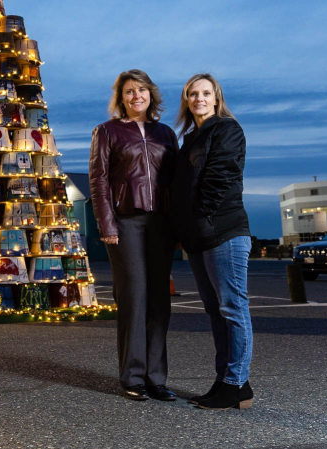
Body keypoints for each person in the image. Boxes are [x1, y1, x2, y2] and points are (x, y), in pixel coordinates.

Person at [89, 69, 179, 401]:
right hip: (125, 223)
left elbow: (176, 181)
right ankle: (133, 376)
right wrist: (107, 225)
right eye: (129, 91)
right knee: (134, 296)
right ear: (121, 98)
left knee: (159, 300)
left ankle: (157, 378)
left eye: (141, 90)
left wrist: (180, 226)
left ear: (151, 95)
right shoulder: (107, 131)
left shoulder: (166, 134)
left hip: (162, 224)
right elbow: (98, 182)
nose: (136, 96)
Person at [170, 73, 253, 410]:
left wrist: (199, 218)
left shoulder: (227, 129)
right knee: (216, 312)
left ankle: (236, 383)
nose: (199, 99)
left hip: (225, 232)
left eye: (205, 93)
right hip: (199, 237)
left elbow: (220, 179)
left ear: (216, 98)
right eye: (193, 94)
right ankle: (226, 382)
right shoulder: (191, 138)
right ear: (187, 100)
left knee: (233, 308)